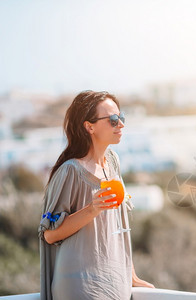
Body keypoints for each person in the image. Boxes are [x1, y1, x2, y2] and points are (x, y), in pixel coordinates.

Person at [38, 90, 154, 300]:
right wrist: (92, 209)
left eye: (121, 118)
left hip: (115, 284)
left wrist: (132, 276)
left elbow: (118, 225)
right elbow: (50, 234)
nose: (121, 125)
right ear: (89, 126)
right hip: (80, 287)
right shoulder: (70, 171)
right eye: (112, 119)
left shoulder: (112, 162)